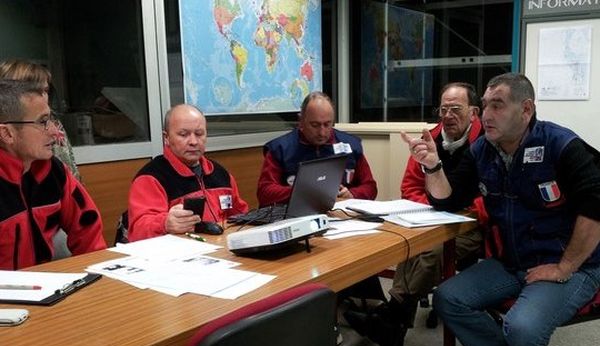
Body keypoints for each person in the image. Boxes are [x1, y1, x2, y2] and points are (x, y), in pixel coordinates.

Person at [402, 73, 600, 346]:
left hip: (572, 265)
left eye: (498, 105)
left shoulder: (560, 144)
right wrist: (433, 166)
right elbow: (447, 199)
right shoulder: (483, 150)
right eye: (484, 106)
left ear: (525, 109)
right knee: (448, 298)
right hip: (514, 262)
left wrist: (564, 268)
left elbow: (596, 205)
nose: (487, 114)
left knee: (520, 328)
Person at [344, 82, 487, 346]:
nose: (447, 115)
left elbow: (491, 194)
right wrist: (434, 208)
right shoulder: (428, 140)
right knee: (409, 243)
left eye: (456, 109)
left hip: (473, 225)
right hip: (431, 220)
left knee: (431, 250)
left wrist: (462, 209)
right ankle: (393, 325)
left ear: (474, 113)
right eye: (443, 109)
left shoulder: (486, 143)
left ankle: (390, 318)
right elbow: (410, 188)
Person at [0, 79, 106, 270]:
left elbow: (88, 230)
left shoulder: (54, 172)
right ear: (7, 134)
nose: (54, 131)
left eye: (51, 120)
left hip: (44, 289)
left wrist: (99, 278)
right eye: (43, 122)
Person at [127, 104, 249, 242]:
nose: (193, 141)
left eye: (199, 134)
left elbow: (240, 215)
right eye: (183, 135)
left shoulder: (220, 174)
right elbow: (137, 231)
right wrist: (164, 224)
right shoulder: (151, 178)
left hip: (224, 250)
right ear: (166, 138)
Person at [257, 91, 377, 205]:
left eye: (327, 124)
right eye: (315, 125)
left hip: (341, 215)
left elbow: (370, 187)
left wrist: (352, 194)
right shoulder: (280, 149)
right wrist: (300, 192)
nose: (322, 132)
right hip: (295, 217)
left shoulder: (351, 145)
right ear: (301, 121)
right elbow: (264, 193)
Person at [0, 59, 80, 180]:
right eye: (34, 90)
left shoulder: (53, 125)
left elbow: (72, 176)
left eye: (46, 90)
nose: (42, 96)